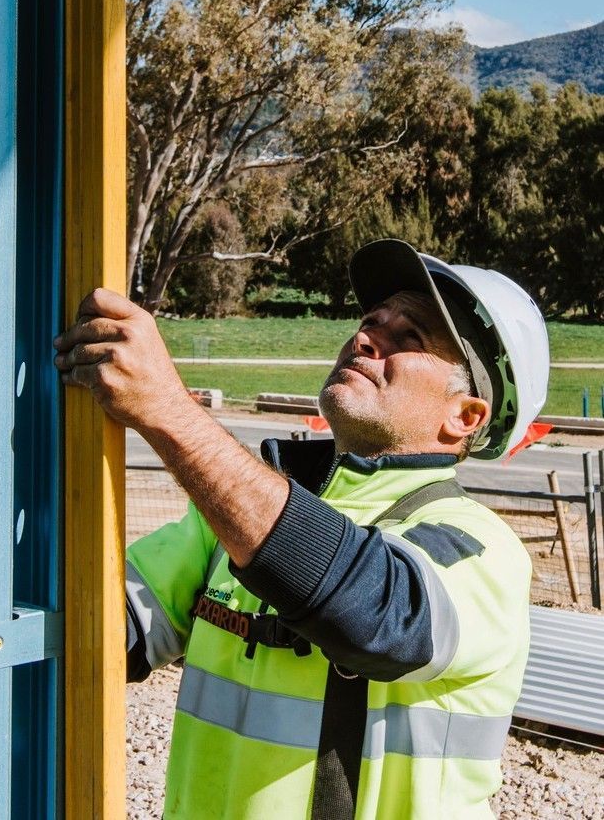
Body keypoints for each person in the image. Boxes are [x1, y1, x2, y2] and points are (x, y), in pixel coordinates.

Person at [54, 238, 551, 820]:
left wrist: (169, 409)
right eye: (370, 322)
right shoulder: (232, 520)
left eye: (408, 338)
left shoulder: (478, 546)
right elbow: (98, 628)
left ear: (464, 416)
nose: (366, 339)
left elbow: (379, 615)